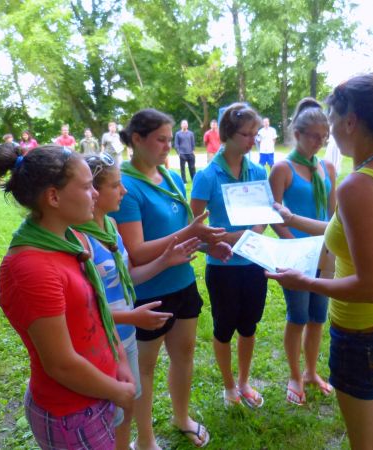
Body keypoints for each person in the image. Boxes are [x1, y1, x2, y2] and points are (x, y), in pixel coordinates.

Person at [266, 74, 373, 450]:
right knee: (372, 433)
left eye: (332, 120)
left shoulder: (357, 185)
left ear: (350, 121)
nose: (329, 131)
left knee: (364, 443)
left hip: (362, 337)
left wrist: (307, 283)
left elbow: (370, 286)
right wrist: (292, 217)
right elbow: (343, 228)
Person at [0, 144, 136, 449]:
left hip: (97, 392)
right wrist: (117, 391)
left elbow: (97, 312)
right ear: (53, 197)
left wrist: (119, 359)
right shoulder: (32, 268)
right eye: (86, 187)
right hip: (72, 412)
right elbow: (61, 364)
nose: (95, 194)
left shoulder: (69, 238)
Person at [112, 108, 228, 449]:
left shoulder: (170, 176)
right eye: (161, 140)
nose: (168, 146)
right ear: (137, 139)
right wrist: (188, 233)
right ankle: (145, 439)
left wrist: (207, 246)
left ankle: (181, 416)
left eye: (169, 139)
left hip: (182, 284)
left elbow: (181, 233)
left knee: (185, 355)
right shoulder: (126, 187)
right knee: (144, 368)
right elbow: (136, 252)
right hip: (150, 292)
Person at [76, 153, 202, 450]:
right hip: (99, 344)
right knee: (108, 414)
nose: (125, 190)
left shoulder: (110, 227)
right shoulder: (80, 239)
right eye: (117, 185)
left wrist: (165, 261)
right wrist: (130, 317)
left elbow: (128, 277)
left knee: (127, 406)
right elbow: (81, 307)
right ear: (93, 191)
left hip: (124, 339)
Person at [191, 103, 269, 409]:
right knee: (224, 328)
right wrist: (230, 239)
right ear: (226, 134)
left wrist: (247, 236)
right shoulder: (207, 176)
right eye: (246, 134)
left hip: (253, 263)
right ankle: (228, 387)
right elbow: (196, 226)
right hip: (222, 267)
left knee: (249, 326)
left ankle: (244, 382)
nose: (252, 140)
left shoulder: (258, 171)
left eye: (255, 134)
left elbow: (264, 218)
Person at [268, 97, 336, 406]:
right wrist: (294, 245)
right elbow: (273, 216)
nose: (319, 142)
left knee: (318, 316)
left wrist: (330, 246)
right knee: (298, 316)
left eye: (324, 137)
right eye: (314, 136)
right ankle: (295, 375)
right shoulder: (282, 169)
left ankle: (311, 371)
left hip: (323, 253)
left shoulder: (328, 167)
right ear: (297, 133)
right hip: (294, 255)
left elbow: (333, 217)